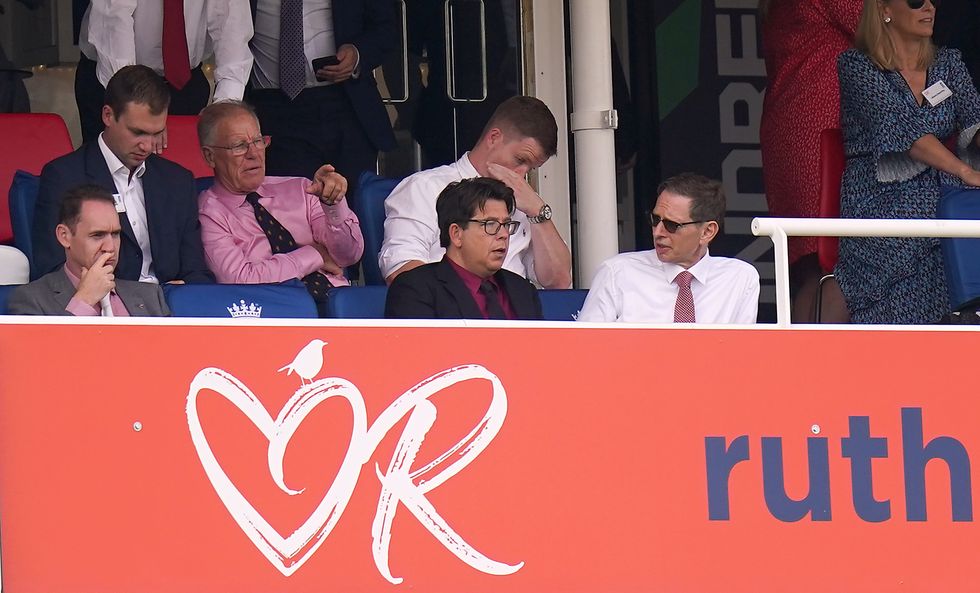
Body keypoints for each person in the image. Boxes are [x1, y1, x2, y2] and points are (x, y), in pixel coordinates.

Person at [836, 0, 980, 324]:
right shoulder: (857, 65)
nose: (929, 7)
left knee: (958, 222)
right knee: (944, 227)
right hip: (881, 198)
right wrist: (964, 171)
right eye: (916, 1)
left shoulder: (948, 62)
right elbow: (903, 130)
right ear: (885, 10)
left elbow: (975, 121)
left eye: (933, 1)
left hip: (946, 194)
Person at [32, 65, 213, 285]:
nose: (147, 146)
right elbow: (52, 272)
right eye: (138, 132)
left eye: (156, 134)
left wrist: (184, 294)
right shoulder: (64, 176)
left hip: (171, 302)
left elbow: (196, 271)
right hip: (103, 302)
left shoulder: (178, 181)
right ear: (108, 115)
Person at [380, 96, 572, 290]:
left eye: (531, 168)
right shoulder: (424, 188)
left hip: (514, 307)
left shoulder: (525, 205)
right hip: (446, 306)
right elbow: (402, 270)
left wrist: (537, 211)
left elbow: (559, 282)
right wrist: (469, 302)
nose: (522, 175)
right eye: (520, 160)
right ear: (494, 137)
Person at [196, 100, 363, 315]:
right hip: (272, 315)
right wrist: (314, 255)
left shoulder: (302, 189)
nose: (253, 153)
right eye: (239, 146)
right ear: (210, 156)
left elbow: (348, 256)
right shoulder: (208, 213)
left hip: (338, 307)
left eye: (258, 141)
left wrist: (333, 205)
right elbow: (241, 281)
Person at [759, 0, 860, 322]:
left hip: (797, 126)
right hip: (820, 130)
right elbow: (885, 27)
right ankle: (817, 352)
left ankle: (805, 350)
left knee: (814, 261)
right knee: (831, 259)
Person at [245, 0, 397, 194]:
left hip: (344, 102)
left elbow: (385, 28)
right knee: (291, 203)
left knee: (353, 202)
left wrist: (357, 54)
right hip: (274, 109)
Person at [578, 173, 759, 324]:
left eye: (672, 225)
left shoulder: (739, 278)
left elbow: (743, 351)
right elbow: (585, 346)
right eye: (655, 220)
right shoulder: (617, 273)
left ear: (707, 232)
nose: (658, 232)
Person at [76, 0, 254, 144]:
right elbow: (114, 24)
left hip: (183, 80)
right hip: (115, 78)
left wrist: (224, 109)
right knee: (113, 168)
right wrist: (139, 107)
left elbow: (232, 27)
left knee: (185, 168)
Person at [385, 177, 542, 320]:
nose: (504, 235)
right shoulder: (415, 288)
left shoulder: (522, 290)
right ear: (456, 234)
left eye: (506, 225)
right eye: (490, 224)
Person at [9, 185, 170, 316]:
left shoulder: (151, 296)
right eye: (97, 235)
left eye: (115, 234)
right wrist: (84, 300)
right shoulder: (32, 299)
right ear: (64, 236)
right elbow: (42, 348)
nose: (110, 248)